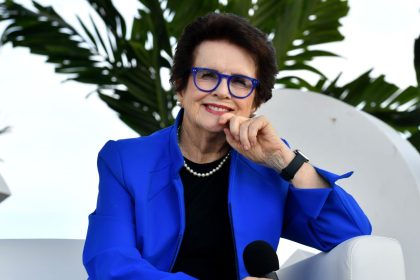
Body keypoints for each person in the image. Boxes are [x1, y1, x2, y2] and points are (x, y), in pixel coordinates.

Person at [83, 13, 372, 280]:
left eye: (240, 81)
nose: (222, 91)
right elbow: (110, 263)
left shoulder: (268, 165)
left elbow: (351, 236)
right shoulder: (125, 160)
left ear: (255, 101)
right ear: (181, 88)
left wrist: (286, 161)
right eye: (207, 75)